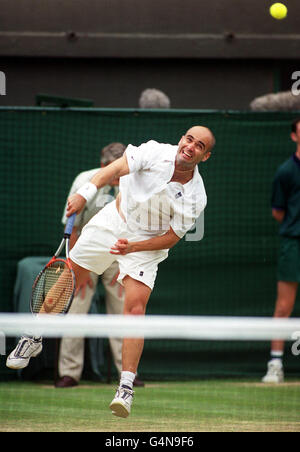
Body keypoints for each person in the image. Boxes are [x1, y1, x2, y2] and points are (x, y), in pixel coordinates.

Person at [63, 125, 215, 417]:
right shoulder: (154, 151)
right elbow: (116, 168)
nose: (190, 146)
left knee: (134, 311)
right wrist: (85, 193)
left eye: (199, 145)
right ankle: (32, 334)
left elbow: (172, 237)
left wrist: (132, 248)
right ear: (181, 139)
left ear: (205, 156)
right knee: (68, 280)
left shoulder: (197, 195)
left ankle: (125, 388)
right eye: (189, 139)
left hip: (145, 244)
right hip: (114, 220)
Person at [6, 142, 144, 388]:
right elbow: (73, 225)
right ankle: (69, 373)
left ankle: (127, 373)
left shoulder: (134, 182)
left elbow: (136, 228)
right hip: (87, 247)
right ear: (103, 166)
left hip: (120, 251)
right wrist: (77, 267)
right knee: (75, 307)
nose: (118, 173)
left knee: (125, 310)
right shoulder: (85, 181)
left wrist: (125, 264)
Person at [262, 118, 300, 383]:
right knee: (284, 305)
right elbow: (279, 213)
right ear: (294, 136)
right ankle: (275, 364)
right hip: (293, 242)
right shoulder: (285, 171)